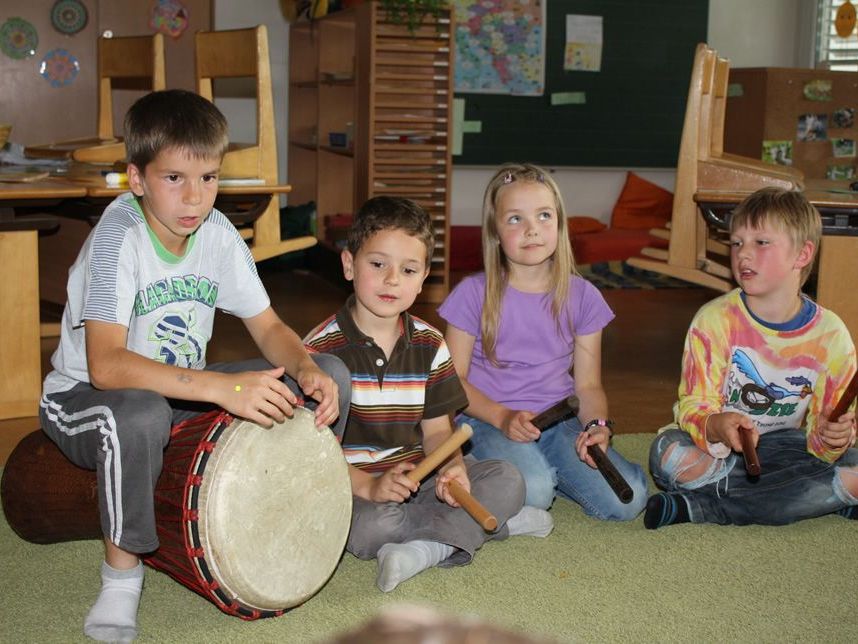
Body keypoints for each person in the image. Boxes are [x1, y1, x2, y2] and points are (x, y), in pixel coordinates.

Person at [38, 89, 351, 642]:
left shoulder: (217, 233)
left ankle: (288, 515)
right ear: (137, 179)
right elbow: (107, 367)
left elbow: (270, 328)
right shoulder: (118, 239)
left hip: (180, 393)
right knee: (137, 417)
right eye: (174, 178)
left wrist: (304, 367)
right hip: (86, 399)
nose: (194, 197)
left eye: (208, 178)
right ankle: (121, 575)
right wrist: (221, 389)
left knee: (333, 375)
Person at [305, 196, 553, 593]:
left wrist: (451, 465)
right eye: (377, 264)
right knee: (370, 528)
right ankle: (488, 526)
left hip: (421, 482)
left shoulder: (430, 343)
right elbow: (312, 456)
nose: (392, 280)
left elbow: (438, 431)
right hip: (358, 488)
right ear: (349, 264)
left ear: (422, 280)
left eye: (407, 270)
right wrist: (370, 487)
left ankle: (426, 548)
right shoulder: (319, 352)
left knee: (507, 477)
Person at [438, 162, 647, 518]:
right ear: (495, 232)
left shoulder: (583, 296)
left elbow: (589, 385)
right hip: (488, 418)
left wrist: (596, 426)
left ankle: (546, 467)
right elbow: (451, 381)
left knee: (630, 501)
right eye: (515, 219)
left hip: (558, 419)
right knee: (535, 491)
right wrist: (502, 416)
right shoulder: (472, 294)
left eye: (544, 216)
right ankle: (483, 462)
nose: (532, 230)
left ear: (560, 223)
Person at [645, 187, 858, 529]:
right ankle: (824, 498)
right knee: (667, 453)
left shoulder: (832, 336)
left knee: (849, 459)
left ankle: (701, 508)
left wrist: (834, 436)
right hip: (720, 453)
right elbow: (694, 404)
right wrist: (717, 425)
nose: (744, 253)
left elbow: (823, 440)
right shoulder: (713, 320)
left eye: (761, 242)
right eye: (737, 243)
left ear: (802, 255)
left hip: (787, 448)